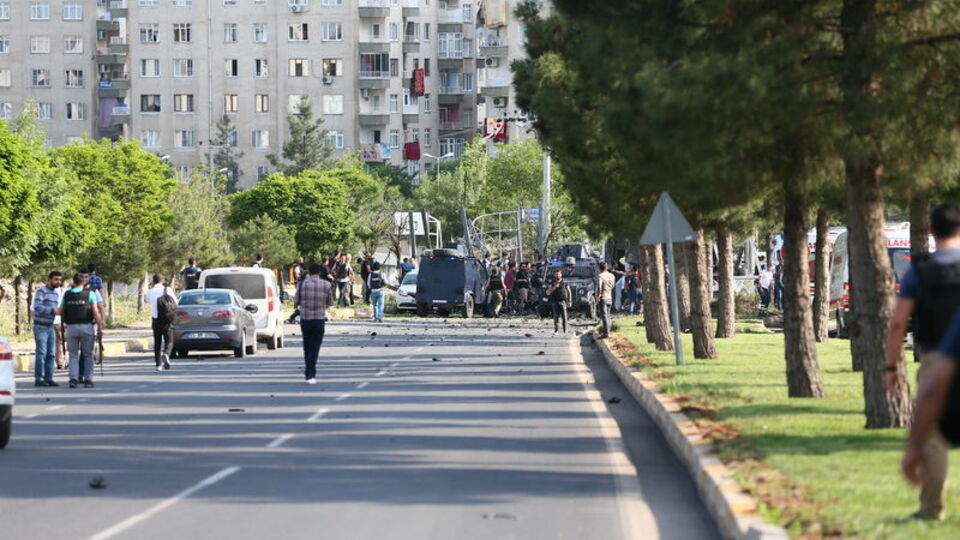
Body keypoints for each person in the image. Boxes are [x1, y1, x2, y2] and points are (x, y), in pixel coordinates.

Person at [886, 203, 960, 520]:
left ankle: (931, 508)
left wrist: (891, 366)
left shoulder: (920, 270)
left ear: (930, 231)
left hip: (934, 356)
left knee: (933, 439)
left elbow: (898, 323)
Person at [56, 273, 105, 388]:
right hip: (87, 327)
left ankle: (73, 379)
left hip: (71, 328)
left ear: (73, 282)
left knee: (72, 354)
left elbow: (59, 311)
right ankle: (88, 379)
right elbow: (95, 312)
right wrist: (100, 326)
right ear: (83, 283)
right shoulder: (90, 294)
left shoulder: (67, 295)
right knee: (87, 354)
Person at [296, 263, 334, 385]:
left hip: (305, 319)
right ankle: (311, 372)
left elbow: (296, 300)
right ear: (320, 273)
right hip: (319, 319)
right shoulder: (327, 285)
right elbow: (330, 302)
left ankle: (309, 371)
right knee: (315, 347)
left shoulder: (302, 284)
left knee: (307, 345)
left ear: (309, 272)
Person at [31, 271, 63, 387]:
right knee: (42, 353)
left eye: (60, 280)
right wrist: (52, 311)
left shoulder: (55, 293)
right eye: (56, 279)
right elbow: (37, 307)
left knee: (51, 354)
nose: (58, 282)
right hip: (40, 326)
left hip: (50, 326)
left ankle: (49, 378)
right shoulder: (41, 291)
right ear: (49, 280)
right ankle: (39, 378)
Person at [146, 274, 177, 372]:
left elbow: (147, 301)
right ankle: (166, 354)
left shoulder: (150, 292)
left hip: (155, 319)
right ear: (162, 281)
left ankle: (158, 365)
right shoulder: (167, 290)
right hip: (167, 319)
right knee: (169, 340)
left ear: (153, 281)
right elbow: (175, 302)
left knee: (157, 343)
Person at [597, 262, 615, 339]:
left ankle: (606, 333)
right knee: (608, 315)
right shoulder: (612, 275)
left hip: (603, 297)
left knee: (604, 315)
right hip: (609, 296)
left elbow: (599, 286)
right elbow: (613, 286)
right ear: (606, 267)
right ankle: (608, 331)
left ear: (599, 268)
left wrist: (598, 295)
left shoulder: (600, 276)